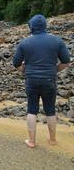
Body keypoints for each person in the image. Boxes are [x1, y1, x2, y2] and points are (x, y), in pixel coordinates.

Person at [13, 14, 70, 148]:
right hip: (49, 79)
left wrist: (26, 71)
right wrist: (55, 70)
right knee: (50, 110)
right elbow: (66, 61)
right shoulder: (57, 41)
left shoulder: (25, 42)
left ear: (31, 27)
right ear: (45, 26)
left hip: (31, 80)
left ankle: (32, 141)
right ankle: (53, 139)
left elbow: (16, 63)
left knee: (32, 109)